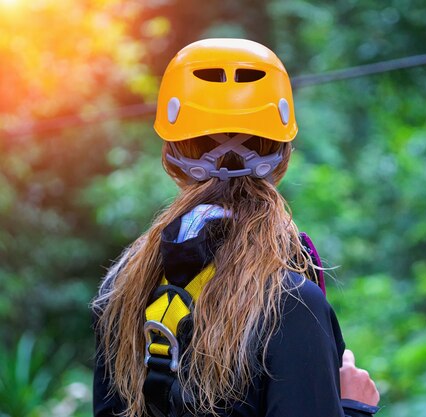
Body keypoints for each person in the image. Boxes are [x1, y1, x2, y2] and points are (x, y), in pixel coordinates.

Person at [91, 38, 380, 417]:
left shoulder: (123, 291)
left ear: (171, 158)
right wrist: (354, 408)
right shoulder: (292, 303)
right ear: (283, 157)